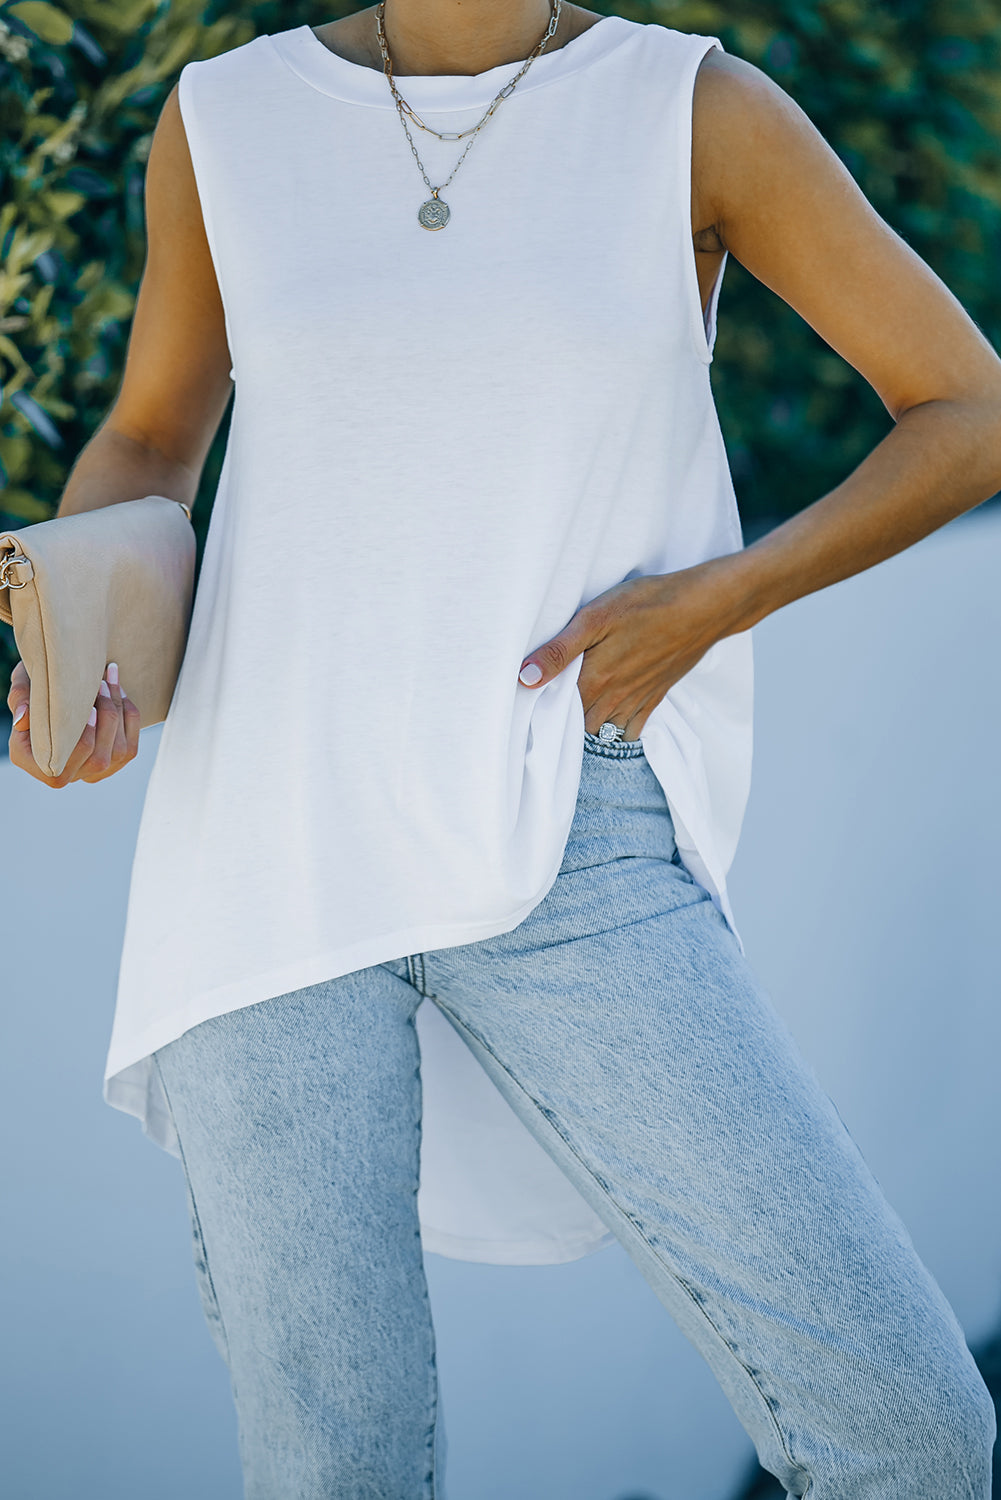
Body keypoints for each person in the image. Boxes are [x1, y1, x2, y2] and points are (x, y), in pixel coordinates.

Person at [9, 1, 1001, 1495]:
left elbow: (968, 409)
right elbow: (153, 437)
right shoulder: (223, 118)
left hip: (568, 831)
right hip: (261, 841)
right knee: (339, 1472)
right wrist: (81, 657)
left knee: (908, 1429)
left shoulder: (696, 111)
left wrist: (713, 602)